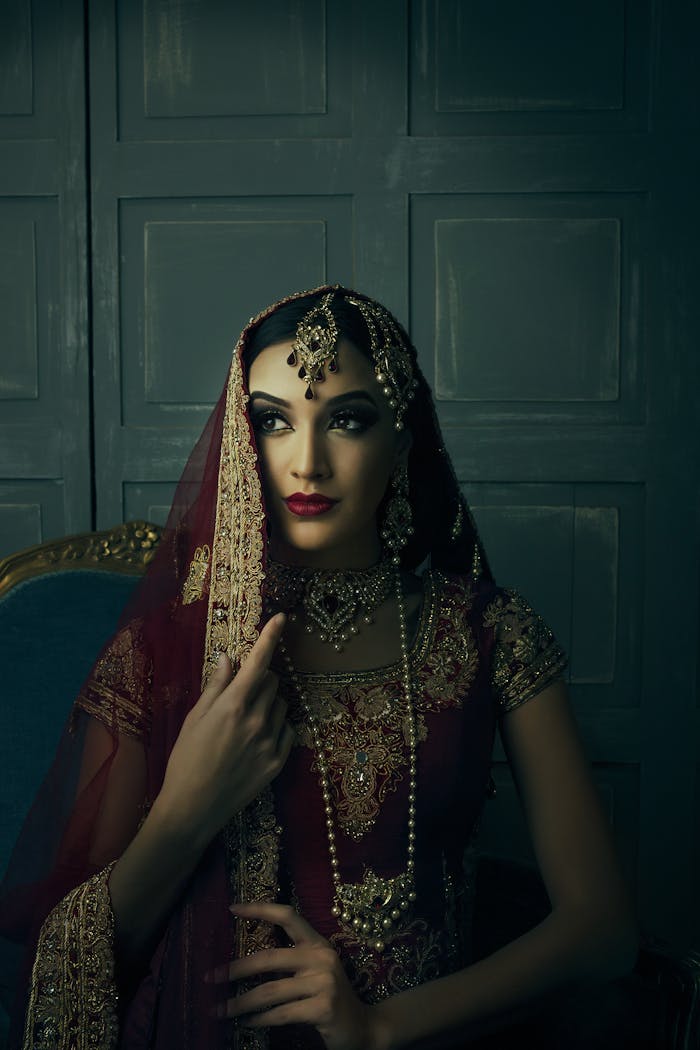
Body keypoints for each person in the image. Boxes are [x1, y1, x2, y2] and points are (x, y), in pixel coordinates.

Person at [0, 286, 638, 1049]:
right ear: (244, 443)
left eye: (347, 418)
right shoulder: (161, 655)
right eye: (273, 422)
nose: (307, 461)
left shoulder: (489, 633)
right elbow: (81, 961)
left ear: (401, 443)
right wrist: (189, 807)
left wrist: (377, 1028)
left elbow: (602, 932)